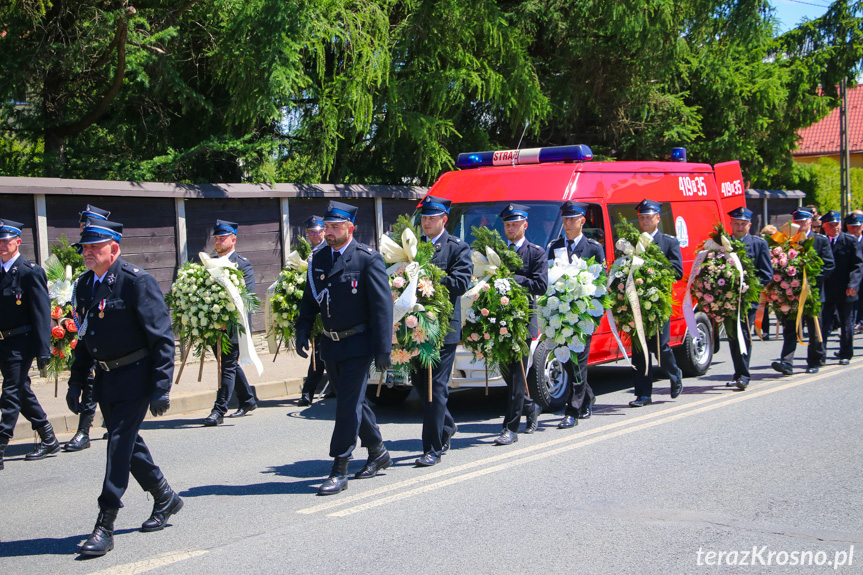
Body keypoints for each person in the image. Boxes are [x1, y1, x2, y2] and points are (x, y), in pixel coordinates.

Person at [67, 219, 181, 556]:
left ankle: (106, 523)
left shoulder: (135, 281)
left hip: (137, 377)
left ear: (113, 248)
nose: (87, 253)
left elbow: (161, 338)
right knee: (128, 444)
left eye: (93, 247)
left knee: (117, 444)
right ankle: (165, 496)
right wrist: (76, 381)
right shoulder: (86, 285)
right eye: (84, 248)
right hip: (107, 379)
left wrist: (162, 387)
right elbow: (85, 339)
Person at [295, 201, 393, 495]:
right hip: (331, 344)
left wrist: (383, 349)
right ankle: (377, 451)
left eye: (336, 227)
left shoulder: (366, 259)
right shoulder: (319, 258)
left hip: (359, 344)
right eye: (327, 227)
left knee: (347, 406)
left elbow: (382, 306)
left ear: (351, 228)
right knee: (356, 403)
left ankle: (340, 467)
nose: (330, 233)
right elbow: (310, 300)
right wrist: (302, 330)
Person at [411, 195, 471, 466]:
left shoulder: (458, 248)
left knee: (435, 387)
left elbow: (460, 283)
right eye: (424, 218)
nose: (426, 223)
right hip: (414, 327)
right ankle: (446, 425)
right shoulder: (412, 247)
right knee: (420, 386)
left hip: (443, 328)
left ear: (444, 220)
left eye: (432, 218)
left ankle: (432, 447)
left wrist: (430, 276)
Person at [0, 219, 55, 470]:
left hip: (21, 343)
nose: (1, 245)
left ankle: (1, 444)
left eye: (6, 241)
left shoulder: (29, 271)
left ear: (18, 242)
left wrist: (44, 349)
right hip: (2, 342)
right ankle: (48, 436)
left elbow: (42, 312)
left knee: (10, 393)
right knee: (20, 390)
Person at [494, 204, 549, 445]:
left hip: (523, 321)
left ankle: (510, 428)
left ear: (525, 225)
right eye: (507, 224)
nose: (510, 228)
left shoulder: (535, 252)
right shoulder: (496, 252)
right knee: (506, 372)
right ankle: (530, 405)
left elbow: (541, 285)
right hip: (498, 320)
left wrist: (513, 279)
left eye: (515, 224)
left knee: (517, 375)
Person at [546, 201, 604, 428]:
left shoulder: (593, 248)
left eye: (572, 219)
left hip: (581, 316)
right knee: (567, 360)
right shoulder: (554, 246)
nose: (567, 223)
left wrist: (591, 313)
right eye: (565, 219)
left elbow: (600, 285)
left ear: (582, 220)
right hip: (559, 312)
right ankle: (586, 396)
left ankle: (572, 410)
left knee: (578, 360)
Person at [64, 204, 112, 453]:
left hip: (108, 339)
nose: (83, 231)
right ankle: (108, 423)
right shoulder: (84, 275)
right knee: (91, 378)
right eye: (82, 227)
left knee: (95, 381)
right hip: (88, 336)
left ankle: (84, 431)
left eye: (87, 226)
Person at [202, 220, 258, 425]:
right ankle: (248, 399)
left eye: (222, 238)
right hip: (213, 326)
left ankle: (219, 410)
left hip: (234, 326)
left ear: (233, 239)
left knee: (226, 366)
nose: (218, 242)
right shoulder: (209, 263)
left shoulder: (242, 264)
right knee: (229, 364)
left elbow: (247, 297)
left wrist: (228, 319)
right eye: (216, 238)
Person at [629, 200, 684, 408]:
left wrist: (654, 270)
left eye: (648, 217)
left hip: (658, 302)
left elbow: (677, 272)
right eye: (641, 217)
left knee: (659, 346)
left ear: (657, 218)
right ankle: (643, 394)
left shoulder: (669, 242)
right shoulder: (633, 241)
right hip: (636, 301)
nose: (644, 221)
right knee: (639, 347)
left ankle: (674, 372)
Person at [771, 207, 835, 375]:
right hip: (791, 293)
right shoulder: (786, 240)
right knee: (790, 328)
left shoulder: (820, 240)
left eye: (803, 222)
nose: (800, 225)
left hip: (812, 293)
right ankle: (786, 363)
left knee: (814, 329)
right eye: (797, 222)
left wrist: (810, 276)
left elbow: (829, 265)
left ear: (810, 222)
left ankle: (814, 360)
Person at [726, 207, 773, 390]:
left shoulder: (758, 244)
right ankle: (738, 373)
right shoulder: (723, 243)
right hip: (727, 299)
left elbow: (766, 273)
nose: (739, 227)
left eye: (743, 224)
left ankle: (744, 375)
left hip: (748, 299)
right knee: (732, 336)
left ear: (749, 225)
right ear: (731, 224)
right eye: (736, 223)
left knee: (744, 335)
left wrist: (749, 288)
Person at [819, 211, 863, 365]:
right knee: (823, 323)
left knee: (847, 323)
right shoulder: (821, 241)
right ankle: (820, 355)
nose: (834, 228)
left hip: (846, 289)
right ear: (824, 226)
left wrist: (853, 285)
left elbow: (857, 265)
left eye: (837, 224)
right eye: (831, 225)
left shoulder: (849, 241)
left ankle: (845, 353)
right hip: (826, 289)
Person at [298, 216, 329, 406]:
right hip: (314, 311)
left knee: (321, 354)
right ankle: (309, 391)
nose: (315, 235)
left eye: (318, 231)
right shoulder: (307, 252)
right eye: (311, 232)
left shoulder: (328, 251)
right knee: (319, 353)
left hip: (330, 314)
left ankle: (309, 391)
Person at [759, 224, 779, 338]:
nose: (770, 238)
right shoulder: (761, 246)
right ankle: (765, 330)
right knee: (763, 306)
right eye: (767, 235)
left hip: (778, 279)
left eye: (772, 235)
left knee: (779, 304)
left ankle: (783, 325)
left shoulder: (780, 247)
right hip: (766, 279)